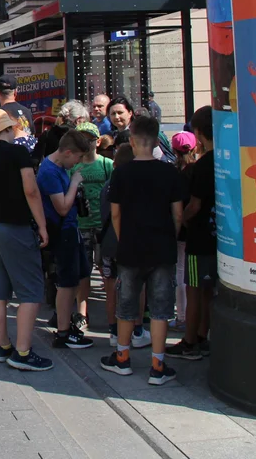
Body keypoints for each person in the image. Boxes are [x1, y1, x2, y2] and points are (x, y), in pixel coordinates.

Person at [101, 116, 184, 386]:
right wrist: (170, 235)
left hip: (131, 248)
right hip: (162, 247)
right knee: (160, 308)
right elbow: (178, 214)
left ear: (133, 141)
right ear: (157, 139)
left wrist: (125, 238)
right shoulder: (170, 172)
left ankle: (122, 358)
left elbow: (115, 214)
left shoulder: (122, 173)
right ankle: (158, 365)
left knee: (127, 305)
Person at [0, 109, 53, 372]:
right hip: (16, 227)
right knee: (31, 291)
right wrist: (42, 226)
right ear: (7, 129)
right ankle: (22, 352)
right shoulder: (19, 154)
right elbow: (31, 191)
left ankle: (1, 345)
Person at [36, 130, 95, 350]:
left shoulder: (59, 167)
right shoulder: (50, 172)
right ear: (67, 152)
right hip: (63, 231)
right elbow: (61, 207)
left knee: (77, 276)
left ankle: (62, 320)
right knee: (67, 282)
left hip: (70, 229)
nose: (78, 162)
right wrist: (75, 183)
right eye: (78, 157)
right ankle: (63, 332)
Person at [168, 107, 216, 361]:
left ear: (197, 133)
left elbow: (194, 205)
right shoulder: (224, 159)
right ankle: (202, 335)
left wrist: (180, 219)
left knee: (194, 288)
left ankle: (190, 341)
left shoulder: (203, 166)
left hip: (199, 238)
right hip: (218, 236)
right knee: (207, 290)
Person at [98, 144, 151, 348]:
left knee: (111, 288)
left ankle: (113, 331)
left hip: (108, 243)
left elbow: (103, 214)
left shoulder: (108, 185)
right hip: (131, 243)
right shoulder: (136, 185)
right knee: (137, 287)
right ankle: (137, 331)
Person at [71, 123, 112, 329]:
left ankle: (111, 313)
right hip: (82, 224)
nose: (86, 143)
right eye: (82, 139)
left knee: (106, 270)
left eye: (89, 138)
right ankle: (82, 313)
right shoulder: (74, 167)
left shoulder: (107, 164)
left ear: (98, 141)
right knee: (84, 271)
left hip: (103, 225)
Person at [170, 130, 197, 329]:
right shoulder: (200, 169)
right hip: (198, 228)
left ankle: (182, 315)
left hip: (180, 229)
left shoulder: (174, 173)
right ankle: (193, 316)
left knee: (180, 273)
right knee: (194, 276)